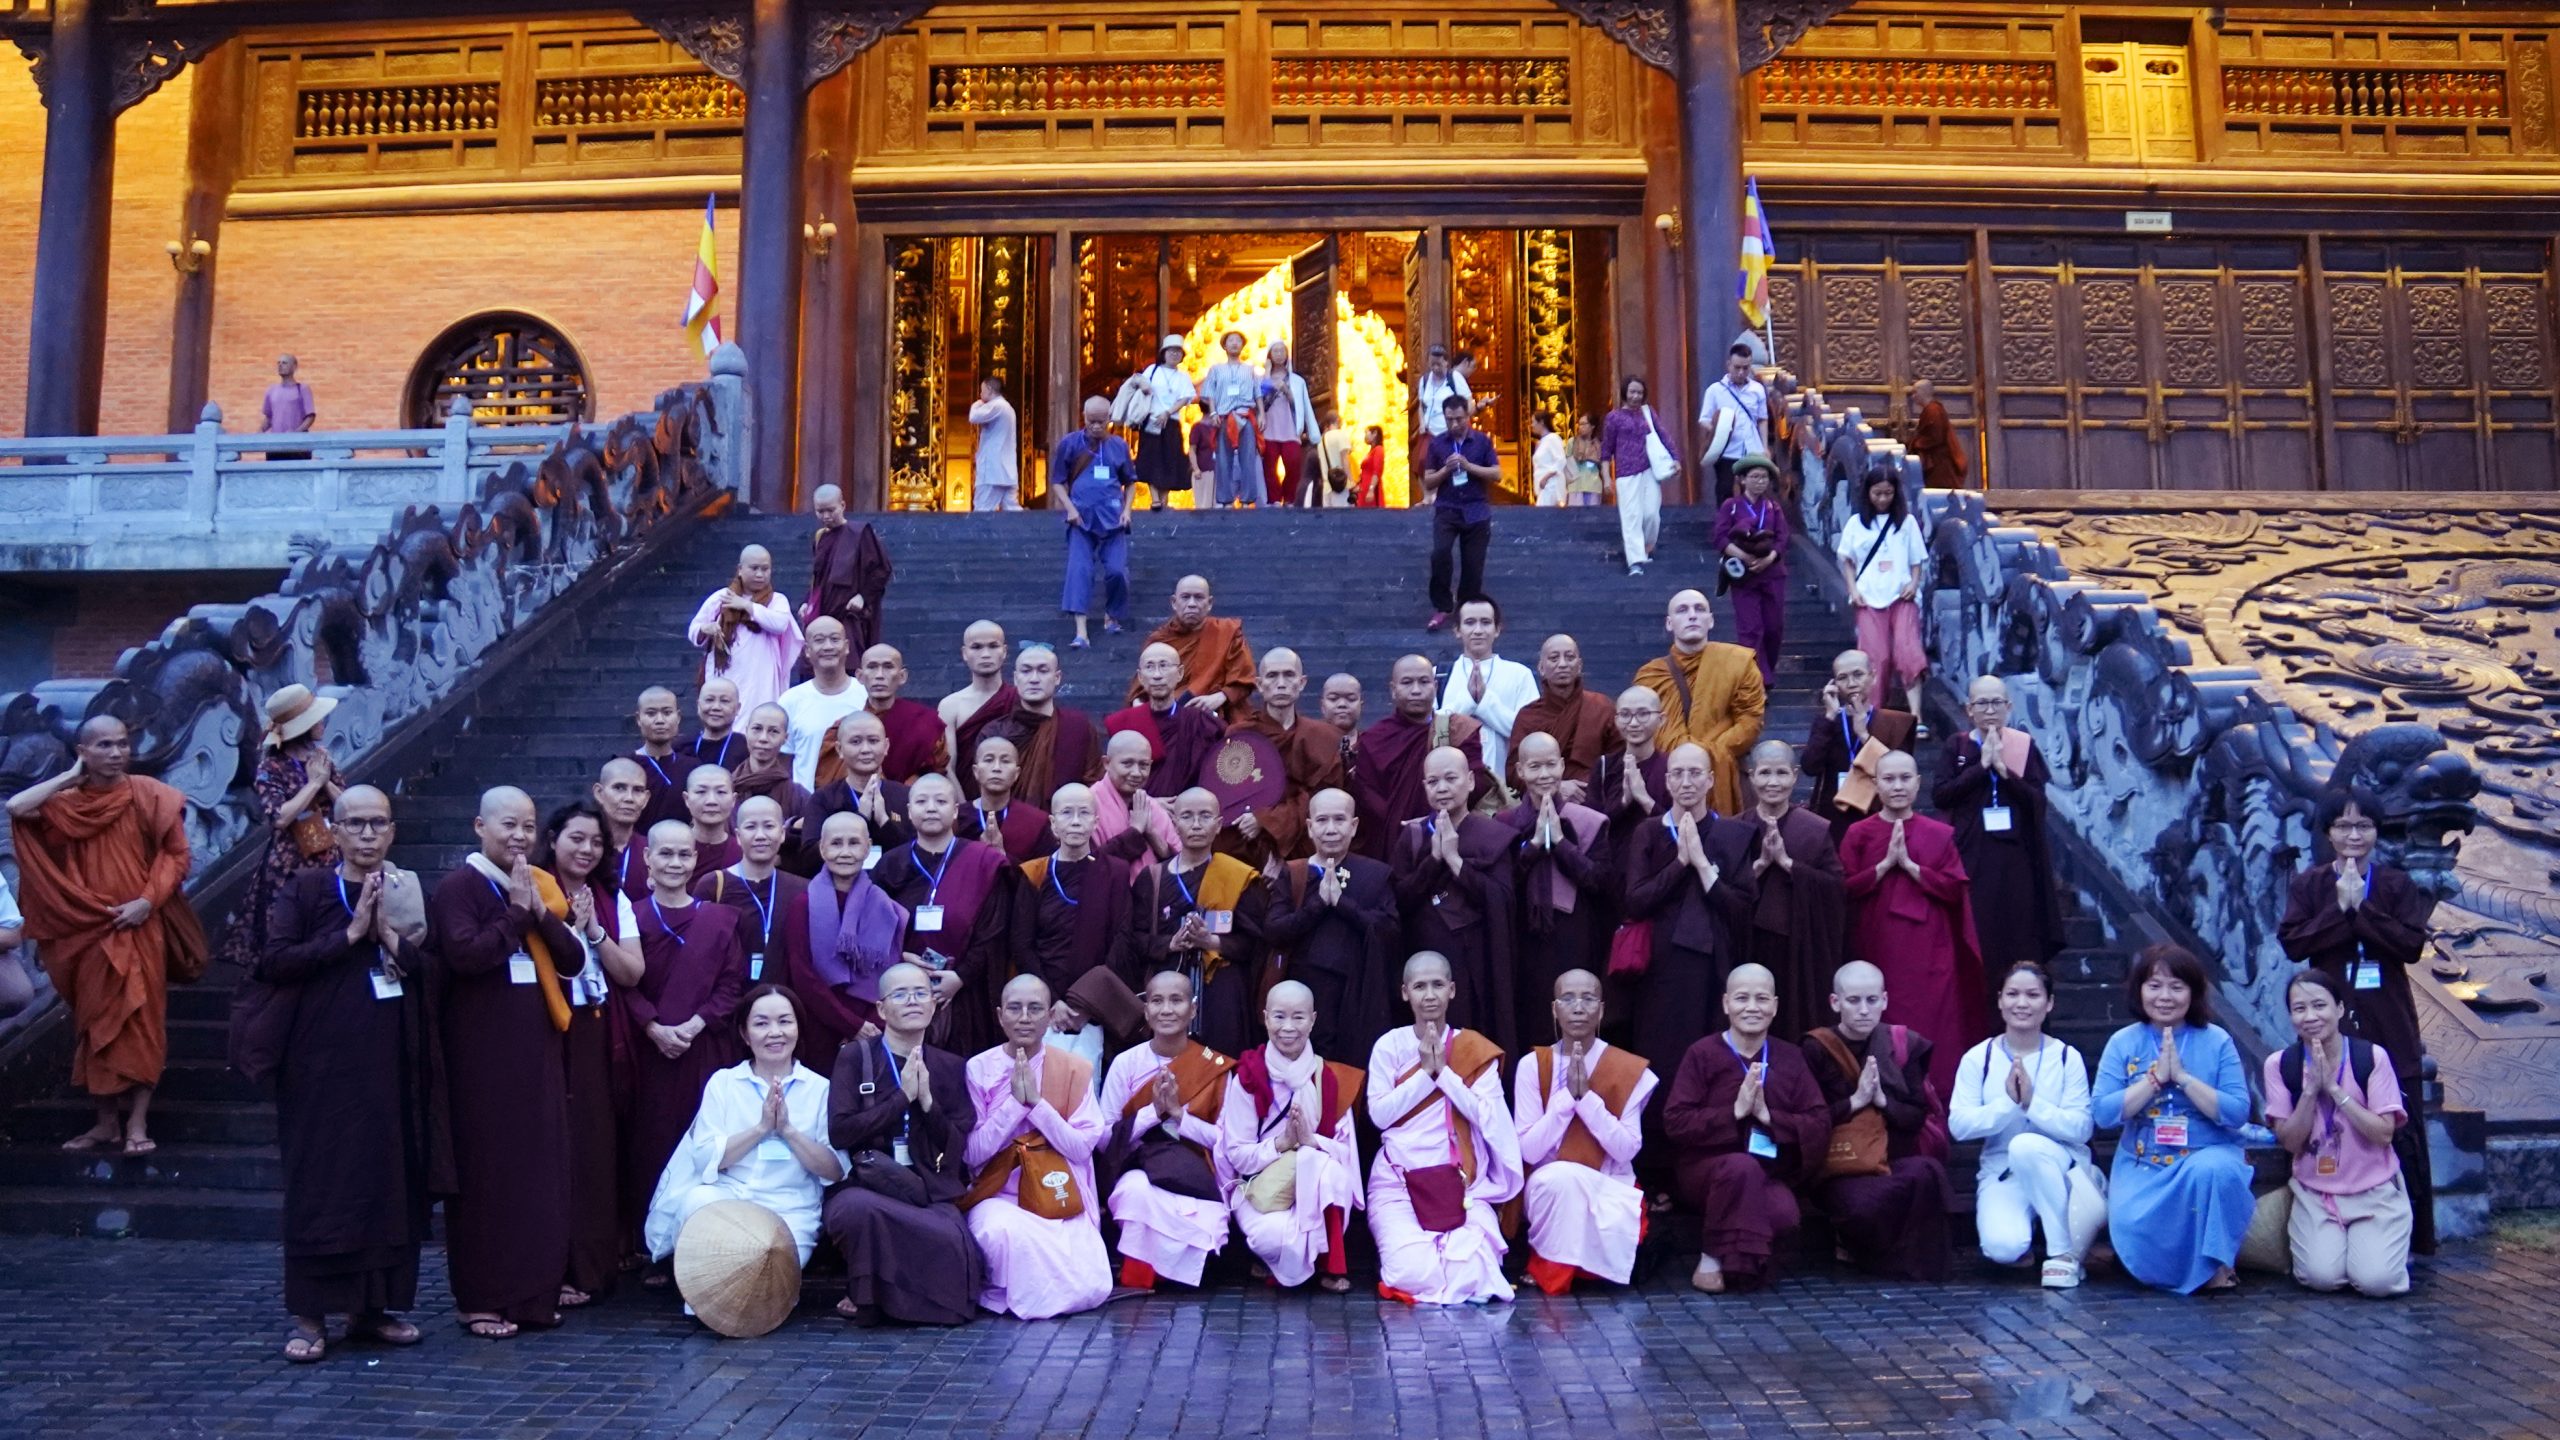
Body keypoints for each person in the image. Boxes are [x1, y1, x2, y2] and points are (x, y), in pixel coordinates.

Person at [254, 785, 431, 1362]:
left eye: (378, 823)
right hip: (319, 1065)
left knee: (384, 1183)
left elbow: (429, 969)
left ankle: (371, 1309)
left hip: (387, 1061)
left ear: (393, 831)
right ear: (334, 830)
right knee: (321, 1184)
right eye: (355, 823)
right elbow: (274, 960)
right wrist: (349, 935)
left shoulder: (405, 889)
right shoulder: (307, 888)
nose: (367, 834)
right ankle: (310, 1316)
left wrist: (387, 937)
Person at [9, 715, 202, 1155]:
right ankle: (105, 1123)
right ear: (83, 752)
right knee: (95, 1025)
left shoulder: (149, 794)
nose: (116, 753)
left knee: (142, 1023)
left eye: (122, 744)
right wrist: (69, 777)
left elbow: (177, 855)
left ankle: (137, 1123)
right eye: (104, 746)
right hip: (90, 928)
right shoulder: (68, 803)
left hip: (140, 924)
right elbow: (17, 807)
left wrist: (147, 902)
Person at [426, 786, 579, 1336]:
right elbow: (467, 954)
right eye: (508, 825)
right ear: (480, 827)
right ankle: (481, 1299)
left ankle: (532, 1294)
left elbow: (573, 958)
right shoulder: (458, 888)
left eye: (528, 826)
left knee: (539, 1175)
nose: (520, 836)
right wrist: (515, 915)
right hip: (480, 1061)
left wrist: (538, 912)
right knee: (487, 1176)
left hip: (536, 1056)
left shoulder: (536, 885)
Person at [2279, 784, 2439, 1255]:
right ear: (2328, 832)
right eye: (2344, 825)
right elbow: (2294, 943)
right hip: (2328, 1019)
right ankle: (2330, 1221)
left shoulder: (2395, 885)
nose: (2354, 835)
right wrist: (2340, 908)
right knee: (2330, 1114)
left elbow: (2410, 945)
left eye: (2364, 825)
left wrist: (2362, 909)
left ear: (2376, 831)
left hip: (2387, 1017)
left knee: (2400, 1121)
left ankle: (2413, 1237)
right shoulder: (2310, 885)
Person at [644, 985, 847, 1275]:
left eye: (785, 1021)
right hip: (728, 1196)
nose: (775, 1032)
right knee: (697, 1202)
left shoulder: (821, 1089)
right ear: (745, 1034)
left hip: (790, 1209)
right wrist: (761, 1128)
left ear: (798, 1028)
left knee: (763, 1272)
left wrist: (788, 1130)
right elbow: (704, 1158)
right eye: (761, 1024)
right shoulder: (724, 1083)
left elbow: (835, 1170)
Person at [617, 821, 748, 1270]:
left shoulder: (718, 919)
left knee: (701, 1142)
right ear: (647, 859)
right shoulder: (631, 917)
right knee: (649, 1142)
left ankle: (699, 1243)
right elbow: (622, 984)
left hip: (704, 1048)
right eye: (665, 854)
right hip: (647, 1052)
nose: (675, 863)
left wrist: (694, 1025)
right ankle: (649, 1247)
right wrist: (653, 1026)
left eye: (684, 854)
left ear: (695, 860)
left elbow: (732, 984)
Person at [824, 961, 984, 1325]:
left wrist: (926, 1102)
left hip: (927, 1188)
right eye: (900, 994)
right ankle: (869, 1295)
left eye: (920, 993)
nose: (912, 1001)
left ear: (933, 1004)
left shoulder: (950, 1066)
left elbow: (955, 1145)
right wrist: (901, 1098)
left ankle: (897, 1300)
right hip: (870, 1182)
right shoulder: (856, 1057)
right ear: (881, 1009)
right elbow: (841, 1132)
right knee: (855, 1211)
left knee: (951, 1240)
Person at [2096, 943, 2255, 1295]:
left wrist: (2183, 1078)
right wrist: (2153, 1080)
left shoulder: (2217, 1041)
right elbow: (2104, 1113)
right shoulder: (2123, 1042)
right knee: (2133, 1224)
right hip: (2143, 1164)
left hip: (2204, 1154)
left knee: (2213, 1170)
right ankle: (2169, 1268)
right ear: (2139, 990)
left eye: (2176, 987)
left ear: (2193, 992)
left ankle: (2216, 1264)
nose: (2165, 997)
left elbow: (2236, 1112)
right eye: (2154, 986)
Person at [1364, 951, 1521, 1306]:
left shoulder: (1472, 1049)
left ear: (1452, 990)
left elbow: (1489, 1118)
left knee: (1479, 1268)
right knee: (1408, 1272)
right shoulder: (1389, 1045)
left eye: (1437, 985)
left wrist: (1444, 1075)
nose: (1430, 995)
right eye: (1420, 986)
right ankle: (1437, 1265)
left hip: (1464, 1184)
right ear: (1405, 993)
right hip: (1397, 1180)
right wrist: (1425, 1075)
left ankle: (1445, 1266)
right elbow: (1380, 1114)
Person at [1616, 743, 1758, 1134]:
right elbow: (1635, 901)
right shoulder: (1649, 832)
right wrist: (1680, 863)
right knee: (1660, 1059)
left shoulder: (1732, 834)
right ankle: (1658, 1157)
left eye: (1695, 773)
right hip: (1658, 971)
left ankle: (1708, 1143)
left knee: (1709, 1057)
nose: (1686, 782)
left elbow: (1742, 909)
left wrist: (1702, 866)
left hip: (1712, 968)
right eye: (1677, 773)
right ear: (1666, 781)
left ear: (1711, 780)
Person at [1664, 964, 1831, 1293]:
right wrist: (1734, 1112)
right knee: (1740, 1167)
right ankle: (1711, 1257)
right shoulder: (1702, 1053)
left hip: (1766, 1169)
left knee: (1784, 1213)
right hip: (1706, 1171)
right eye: (1742, 998)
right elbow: (1675, 1121)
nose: (1752, 1007)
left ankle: (1740, 1264)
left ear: (1775, 1006)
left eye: (1761, 999)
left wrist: (1770, 1117)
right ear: (1726, 1004)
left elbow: (1819, 1122)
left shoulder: (1791, 1057)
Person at [963, 974, 1113, 1319]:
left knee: (1090, 1284)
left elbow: (1081, 1148)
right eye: (1014, 1008)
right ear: (1000, 1016)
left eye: (1035, 1009)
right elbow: (972, 1153)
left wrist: (1037, 1105)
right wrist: (1014, 1105)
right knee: (999, 1231)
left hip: (1059, 1192)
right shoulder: (979, 1069)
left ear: (1049, 1016)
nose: (1025, 1017)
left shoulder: (1073, 1069)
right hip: (1000, 1195)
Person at [1839, 751, 1987, 1096]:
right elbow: (1841, 889)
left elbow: (1955, 889)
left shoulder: (1939, 834)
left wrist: (1911, 867)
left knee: (1936, 1025)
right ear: (1875, 784)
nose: (1897, 786)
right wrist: (1884, 866)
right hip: (1878, 946)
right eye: (1889, 779)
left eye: (1905, 778)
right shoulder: (1859, 834)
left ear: (1918, 783)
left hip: (1931, 950)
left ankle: (1938, 1100)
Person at [1951, 960, 2105, 1288]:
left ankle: (2063, 1253)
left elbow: (2081, 1128)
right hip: (2004, 1171)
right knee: (2002, 1248)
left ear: (2049, 1003)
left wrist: (2033, 1104)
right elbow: (1960, 1125)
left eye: (2033, 995)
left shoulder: (2066, 1057)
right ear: (2000, 1000)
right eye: (2013, 994)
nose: (2022, 1003)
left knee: (2026, 1146)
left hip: (2060, 1166)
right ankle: (2033, 1231)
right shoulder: (1979, 1058)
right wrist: (2009, 1104)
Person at [539, 799, 636, 1307]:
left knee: (593, 1149)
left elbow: (632, 973)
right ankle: (546, 1268)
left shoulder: (611, 898)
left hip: (595, 1030)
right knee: (548, 1149)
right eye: (576, 838)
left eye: (596, 841)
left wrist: (594, 930)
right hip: (543, 1029)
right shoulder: (533, 890)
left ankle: (590, 1266)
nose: (587, 849)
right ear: (552, 839)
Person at [1799, 961, 1953, 1282]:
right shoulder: (1816, 1049)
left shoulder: (1904, 1044)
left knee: (1927, 1173)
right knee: (1862, 1206)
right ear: (1835, 1002)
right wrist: (1855, 1101)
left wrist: (1882, 1101)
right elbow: (1808, 1120)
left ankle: (1914, 1265)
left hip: (1891, 1158)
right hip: (1841, 1165)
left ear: (1884, 1000)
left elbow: (1916, 1116)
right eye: (1853, 1001)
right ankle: (1864, 1250)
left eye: (1871, 1000)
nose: (1863, 1010)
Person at [2265, 967, 2413, 1298]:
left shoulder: (2370, 1057)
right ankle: (2350, 1250)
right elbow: (2290, 1141)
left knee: (2377, 1282)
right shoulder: (2280, 1065)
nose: (2310, 1016)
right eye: (2299, 1009)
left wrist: (2334, 1090)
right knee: (2321, 1278)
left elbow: (2383, 1134)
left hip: (2374, 1191)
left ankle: (2380, 1249)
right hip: (2316, 1194)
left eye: (2320, 1005)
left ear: (2340, 1009)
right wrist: (2309, 1091)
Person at [1513, 969, 1655, 1294]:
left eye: (1588, 999)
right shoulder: (1533, 1065)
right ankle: (1553, 1266)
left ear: (1601, 1010)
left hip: (1607, 1183)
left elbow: (1626, 1150)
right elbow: (1529, 1151)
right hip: (1549, 1188)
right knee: (1560, 1179)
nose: (1578, 1007)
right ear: (1554, 1009)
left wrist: (1588, 1100)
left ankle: (1568, 1265)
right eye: (1568, 999)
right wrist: (1566, 1100)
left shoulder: (1625, 1067)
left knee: (1567, 1181)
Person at [1221, 979, 1363, 1291]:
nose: (1288, 1027)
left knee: (1331, 1173)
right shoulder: (1249, 1076)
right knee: (1274, 1239)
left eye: (1298, 1017)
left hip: (1314, 1189)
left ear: (1313, 1020)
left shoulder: (1329, 1078)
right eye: (1279, 1016)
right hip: (1262, 1189)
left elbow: (1347, 1155)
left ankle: (1330, 1266)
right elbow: (1238, 1155)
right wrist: (1281, 1144)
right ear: (1265, 1018)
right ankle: (1279, 1261)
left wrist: (1311, 1142)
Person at [1099, 972, 1236, 1291]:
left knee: (1204, 1217)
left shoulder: (1214, 1066)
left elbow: (1227, 1141)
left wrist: (1178, 1114)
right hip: (1141, 1168)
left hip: (1199, 1174)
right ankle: (1143, 1274)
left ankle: (1177, 1274)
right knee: (1134, 1192)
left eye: (1177, 1000)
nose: (1167, 1010)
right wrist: (1152, 1113)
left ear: (1193, 1009)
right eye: (1157, 1001)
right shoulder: (1126, 1063)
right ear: (1146, 1010)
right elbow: (1104, 1138)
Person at [873, 774, 1017, 1060]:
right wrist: (899, 956)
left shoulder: (982, 861)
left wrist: (961, 976)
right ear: (909, 811)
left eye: (940, 801)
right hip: (906, 988)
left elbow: (995, 928)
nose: (931, 808)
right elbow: (875, 929)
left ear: (954, 811)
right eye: (921, 802)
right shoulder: (891, 864)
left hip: (967, 991)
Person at [1388, 748, 1523, 1054]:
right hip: (1424, 949)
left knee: (1473, 1033)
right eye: (1433, 782)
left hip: (1475, 955)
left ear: (1470, 781)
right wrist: (1434, 859)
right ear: (1425, 787)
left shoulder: (1494, 835)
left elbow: (1502, 900)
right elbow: (1398, 901)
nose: (1442, 788)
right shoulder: (1413, 836)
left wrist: (1455, 860)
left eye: (1451, 779)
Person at [1937, 677, 2065, 984]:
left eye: (1997, 703)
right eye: (1982, 703)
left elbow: (2037, 803)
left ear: (2009, 707)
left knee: (2019, 931)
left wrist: (2004, 772)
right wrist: (1981, 767)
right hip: (1972, 852)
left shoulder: (2022, 745)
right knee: (1979, 930)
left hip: (2015, 855)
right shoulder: (1957, 746)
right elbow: (1941, 796)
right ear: (1969, 710)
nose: (1990, 710)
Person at [1263, 788, 1401, 1066]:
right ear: (1310, 827)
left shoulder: (1375, 874)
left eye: (1339, 820)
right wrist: (1317, 905)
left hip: (1358, 992)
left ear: (1354, 826)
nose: (1331, 829)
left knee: (1353, 1068)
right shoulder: (1294, 872)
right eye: (1322, 820)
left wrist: (1342, 903)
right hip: (1305, 993)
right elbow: (1274, 930)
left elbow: (1389, 931)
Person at [1128, 788, 1266, 1058]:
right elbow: (1135, 939)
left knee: (1219, 1063)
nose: (1196, 824)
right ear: (1174, 823)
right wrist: (1170, 943)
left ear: (1218, 824)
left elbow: (1256, 944)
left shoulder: (1237, 876)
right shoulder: (1152, 878)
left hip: (1221, 991)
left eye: (1205, 816)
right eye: (1187, 816)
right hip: (1167, 986)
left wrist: (1211, 941)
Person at [222, 684, 343, 972]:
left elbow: (348, 804)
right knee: (287, 934)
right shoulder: (271, 768)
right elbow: (279, 817)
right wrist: (313, 784)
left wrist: (325, 780)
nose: (322, 723)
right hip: (291, 863)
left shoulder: (321, 758)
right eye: (317, 718)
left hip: (330, 854)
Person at [1502, 732, 1610, 1038]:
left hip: (1575, 933)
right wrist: (1534, 846)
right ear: (1520, 771)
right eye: (1535, 767)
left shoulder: (1590, 821)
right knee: (1530, 1019)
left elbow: (1601, 883)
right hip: (1523, 936)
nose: (1544, 774)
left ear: (1562, 766)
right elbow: (1501, 887)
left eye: (1551, 765)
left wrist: (1561, 843)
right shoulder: (1504, 824)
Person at [1739, 740, 1847, 1043]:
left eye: (1781, 773)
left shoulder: (1815, 829)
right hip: (1748, 942)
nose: (1773, 782)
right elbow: (1724, 889)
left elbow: (1836, 888)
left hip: (1800, 945)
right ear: (1751, 775)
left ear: (1795, 775)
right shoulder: (1737, 827)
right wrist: (1760, 865)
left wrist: (1788, 864)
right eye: (1765, 773)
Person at [1633, 588, 1765, 816]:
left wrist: (1709, 754)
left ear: (1710, 621)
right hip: (1669, 779)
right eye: (1682, 610)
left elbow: (1750, 720)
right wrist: (1699, 757)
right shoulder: (1651, 675)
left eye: (1699, 609)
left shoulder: (1738, 663)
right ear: (1669, 623)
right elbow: (1650, 729)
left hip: (1723, 774)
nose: (1692, 615)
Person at [1218, 646, 1346, 870]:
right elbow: (1231, 798)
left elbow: (1326, 799)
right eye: (1272, 676)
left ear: (1302, 683)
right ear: (1259, 685)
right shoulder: (1240, 735)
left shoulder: (1324, 737)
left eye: (1289, 675)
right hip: (1251, 846)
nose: (1281, 683)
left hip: (1308, 845)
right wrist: (1258, 824)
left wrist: (1265, 820)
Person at [1353, 654, 1490, 858]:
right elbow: (1367, 796)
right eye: (1407, 682)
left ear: (1435, 686)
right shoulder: (1374, 739)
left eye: (1424, 682)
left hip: (1451, 834)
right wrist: (1405, 827)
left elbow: (1476, 783)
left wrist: (1431, 821)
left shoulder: (1458, 731)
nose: (1416, 690)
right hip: (1393, 841)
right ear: (1393, 689)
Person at [1020, 783, 1134, 1002]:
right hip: (1044, 999)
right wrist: (1052, 1001)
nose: (1075, 821)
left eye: (1084, 813)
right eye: (1066, 813)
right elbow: (1023, 945)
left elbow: (1122, 938)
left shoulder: (1115, 872)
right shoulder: (1034, 873)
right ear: (1053, 823)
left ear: (1095, 822)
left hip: (1097, 999)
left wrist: (1088, 1001)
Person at [1836, 466, 1931, 725]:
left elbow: (1917, 560)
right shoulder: (1856, 523)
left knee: (1908, 652)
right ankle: (1873, 714)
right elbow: (1847, 560)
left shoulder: (1907, 522)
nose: (1882, 499)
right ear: (1867, 492)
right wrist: (1853, 589)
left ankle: (1916, 716)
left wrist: (1914, 584)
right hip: (1868, 597)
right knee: (1874, 657)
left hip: (1902, 596)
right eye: (1877, 493)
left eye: (1888, 493)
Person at [964, 644, 1104, 805]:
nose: (1034, 679)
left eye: (1043, 671)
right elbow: (983, 788)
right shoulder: (995, 732)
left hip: (1063, 817)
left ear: (1057, 677)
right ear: (1016, 678)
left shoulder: (1077, 727)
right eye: (1026, 671)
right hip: (1008, 818)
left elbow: (1093, 782)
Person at [1804, 648, 1916, 843]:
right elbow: (1810, 767)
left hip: (1879, 811)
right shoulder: (1829, 722)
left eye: (1858, 675)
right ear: (1834, 684)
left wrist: (1864, 735)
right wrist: (1829, 716)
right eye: (1843, 678)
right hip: (1834, 812)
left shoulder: (1892, 722)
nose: (1852, 683)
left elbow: (1898, 769)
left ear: (1873, 676)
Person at [1055, 396, 1137, 647]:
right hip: (1081, 521)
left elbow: (1130, 482)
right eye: (1092, 421)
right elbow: (1058, 481)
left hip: (1113, 520)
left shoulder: (1119, 446)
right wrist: (1069, 509)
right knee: (1079, 571)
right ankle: (1081, 632)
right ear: (1084, 417)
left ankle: (1112, 615)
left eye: (1102, 421)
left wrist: (1127, 511)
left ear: (1109, 419)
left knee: (1117, 571)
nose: (1096, 426)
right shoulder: (1070, 444)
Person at [688, 544, 804, 718]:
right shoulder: (723, 597)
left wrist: (747, 606)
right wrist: (706, 629)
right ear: (740, 570)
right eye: (754, 568)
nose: (760, 574)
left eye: (765, 569)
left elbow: (779, 624)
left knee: (759, 719)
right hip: (726, 672)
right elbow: (694, 629)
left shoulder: (777, 600)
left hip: (761, 676)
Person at [794, 709, 915, 875]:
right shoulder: (823, 799)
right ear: (839, 749)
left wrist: (884, 821)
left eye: (873, 741)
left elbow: (915, 856)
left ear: (886, 746)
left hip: (892, 887)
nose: (865, 749)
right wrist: (860, 818)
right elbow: (808, 861)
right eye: (856, 742)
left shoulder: (905, 796)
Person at [1420, 393, 1497, 632]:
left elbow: (1496, 474)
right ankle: (1443, 605)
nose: (1454, 424)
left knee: (1473, 564)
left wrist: (1468, 466)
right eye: (1449, 419)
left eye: (1459, 419)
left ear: (1468, 416)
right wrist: (1446, 469)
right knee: (1440, 553)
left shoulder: (1482, 442)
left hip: (1476, 509)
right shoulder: (1437, 444)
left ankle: (1465, 607)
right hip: (1448, 508)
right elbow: (1428, 480)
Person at [1440, 598, 1537, 785]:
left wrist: (1485, 703)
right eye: (1470, 623)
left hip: (1507, 790)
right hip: (1451, 789)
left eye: (1485, 622)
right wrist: (1468, 701)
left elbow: (1528, 732)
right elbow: (1433, 733)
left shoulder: (1519, 674)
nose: (1478, 630)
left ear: (1497, 629)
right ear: (1457, 630)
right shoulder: (1439, 676)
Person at [1128, 574, 1256, 717]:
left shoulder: (1226, 632)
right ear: (1174, 602)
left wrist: (1219, 697)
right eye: (1185, 597)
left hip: (1218, 712)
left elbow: (1243, 679)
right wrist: (1142, 710)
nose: (1192, 604)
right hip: (1166, 713)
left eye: (1199, 597)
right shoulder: (1158, 641)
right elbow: (1140, 688)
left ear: (1209, 603)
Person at [1508, 634, 1617, 798]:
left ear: (1579, 666)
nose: (1563, 664)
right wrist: (1556, 787)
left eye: (1570, 657)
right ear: (1541, 668)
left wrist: (1592, 789)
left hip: (1594, 801)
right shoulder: (1528, 716)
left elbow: (1619, 762)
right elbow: (1513, 772)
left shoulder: (1602, 707)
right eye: (1554, 658)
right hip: (1542, 802)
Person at [1712, 457, 1790, 687]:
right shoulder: (1731, 506)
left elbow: (1783, 537)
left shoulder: (1773, 507)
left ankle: (1767, 671)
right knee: (1750, 629)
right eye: (1754, 477)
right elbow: (1720, 537)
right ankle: (1757, 681)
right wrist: (1744, 557)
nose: (1760, 482)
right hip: (1743, 577)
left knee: (1774, 628)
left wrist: (1769, 558)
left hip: (1772, 573)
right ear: (1742, 480)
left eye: (1764, 477)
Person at [1127, 639, 1231, 800]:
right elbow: (1116, 783)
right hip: (1143, 812)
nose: (1157, 675)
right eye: (1150, 667)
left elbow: (1224, 772)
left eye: (1164, 665)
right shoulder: (1127, 724)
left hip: (1193, 810)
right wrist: (1151, 803)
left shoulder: (1201, 722)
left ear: (1180, 673)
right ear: (1140, 677)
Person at [775, 617, 866, 792]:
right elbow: (783, 760)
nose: (828, 647)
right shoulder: (790, 700)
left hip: (859, 801)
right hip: (807, 803)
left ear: (847, 646)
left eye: (834, 639)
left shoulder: (865, 694)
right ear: (807, 651)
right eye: (819, 640)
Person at [800, 484, 891, 658]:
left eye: (831, 510)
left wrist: (863, 596)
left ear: (842, 505)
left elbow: (881, 570)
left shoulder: (860, 533)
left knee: (851, 661)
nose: (826, 516)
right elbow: (819, 578)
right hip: (825, 611)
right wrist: (807, 602)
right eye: (820, 511)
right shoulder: (820, 538)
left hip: (851, 614)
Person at [1599, 377, 1675, 574]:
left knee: (1651, 515)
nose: (1635, 396)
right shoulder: (1614, 418)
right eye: (1632, 392)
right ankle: (1635, 561)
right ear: (1625, 392)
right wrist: (1606, 478)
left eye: (1639, 392)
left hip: (1649, 470)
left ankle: (1647, 546)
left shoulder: (1648, 413)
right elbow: (1606, 451)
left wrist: (1675, 457)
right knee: (1631, 517)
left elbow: (1663, 435)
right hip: (1626, 473)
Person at [851, 644, 949, 786]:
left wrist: (898, 793)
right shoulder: (846, 728)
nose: (879, 675)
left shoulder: (924, 722)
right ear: (860, 676)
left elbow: (934, 770)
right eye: (872, 667)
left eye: (888, 667)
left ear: (902, 676)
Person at [1591, 686, 1669, 858]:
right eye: (1625, 715)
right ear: (1616, 720)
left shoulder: (1671, 768)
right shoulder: (1604, 766)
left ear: (1661, 719)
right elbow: (1592, 828)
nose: (1633, 723)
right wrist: (1623, 801)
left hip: (1658, 863)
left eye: (1643, 714)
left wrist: (1644, 799)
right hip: (1612, 865)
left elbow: (1679, 829)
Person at [956, 732, 1054, 864]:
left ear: (1016, 774)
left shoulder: (1036, 821)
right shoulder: (957, 818)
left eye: (1005, 761)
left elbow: (1044, 872)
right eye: (989, 760)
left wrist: (1001, 854)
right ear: (976, 771)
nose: (997, 768)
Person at [1124, 335, 1197, 511]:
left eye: (1178, 352)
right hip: (1151, 421)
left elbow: (1185, 398)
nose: (1175, 354)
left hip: (1171, 422)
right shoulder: (1152, 370)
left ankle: (1164, 499)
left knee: (1170, 459)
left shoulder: (1183, 376)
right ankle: (1155, 499)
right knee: (1151, 458)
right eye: (1171, 351)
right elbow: (1139, 386)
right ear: (1163, 353)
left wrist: (1168, 412)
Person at [1696, 343, 1773, 505]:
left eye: (1746, 368)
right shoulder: (1715, 391)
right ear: (1728, 365)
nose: (1741, 372)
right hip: (1727, 452)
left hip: (1752, 450)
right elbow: (1704, 419)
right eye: (1737, 367)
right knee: (1726, 492)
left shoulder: (1757, 389)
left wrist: (1765, 446)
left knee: (1755, 492)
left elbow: (1762, 419)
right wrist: (1720, 430)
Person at [1092, 728, 1177, 865]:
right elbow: (1088, 864)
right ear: (1106, 763)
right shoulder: (1088, 804)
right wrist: (1135, 831)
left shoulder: (1152, 807)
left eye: (1143, 765)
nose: (1136, 773)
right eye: (1127, 764)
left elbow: (1180, 864)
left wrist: (1151, 833)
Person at [1200, 330, 1264, 507]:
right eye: (1231, 341)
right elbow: (1209, 393)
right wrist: (1213, 413)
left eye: (1238, 341)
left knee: (1248, 458)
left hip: (1245, 415)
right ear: (1224, 346)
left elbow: (1257, 393)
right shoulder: (1216, 370)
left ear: (1243, 345)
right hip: (1224, 417)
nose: (1235, 343)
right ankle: (1225, 499)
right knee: (1223, 459)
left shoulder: (1250, 370)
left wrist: (1261, 414)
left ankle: (1247, 499)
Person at [627, 686, 701, 831]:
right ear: (638, 719)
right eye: (651, 713)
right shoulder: (625, 765)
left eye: (667, 713)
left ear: (678, 717)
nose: (660, 720)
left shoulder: (693, 767)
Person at [937, 620, 1010, 765]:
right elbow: (947, 767)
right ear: (964, 653)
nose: (985, 654)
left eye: (993, 646)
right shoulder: (950, 706)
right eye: (976, 647)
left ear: (1004, 651)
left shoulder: (1020, 700)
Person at [1259, 340, 1322, 507]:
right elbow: (1259, 400)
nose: (1279, 354)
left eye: (1282, 351)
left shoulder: (1297, 381)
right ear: (1269, 355)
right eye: (1275, 351)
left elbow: (1302, 406)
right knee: (1269, 467)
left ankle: (1289, 498)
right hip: (1269, 428)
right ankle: (1273, 499)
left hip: (1290, 428)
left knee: (1293, 464)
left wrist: (1287, 391)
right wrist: (1267, 374)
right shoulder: (1261, 379)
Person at [729, 703, 808, 828]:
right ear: (746, 731)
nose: (763, 738)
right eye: (757, 729)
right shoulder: (728, 788)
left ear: (785, 738)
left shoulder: (798, 796)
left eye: (773, 731)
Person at [593, 757, 653, 899]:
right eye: (619, 788)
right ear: (599, 793)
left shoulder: (653, 851)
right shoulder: (584, 850)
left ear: (646, 799)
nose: (629, 798)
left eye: (638, 790)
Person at [1411, 343, 1472, 477]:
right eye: (1432, 364)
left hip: (1450, 432)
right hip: (1429, 433)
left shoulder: (1454, 378)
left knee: (1454, 468)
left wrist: (1461, 423)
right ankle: (1430, 491)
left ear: (1446, 362)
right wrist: (1422, 423)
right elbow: (1422, 405)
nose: (1435, 368)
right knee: (1422, 465)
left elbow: (1468, 402)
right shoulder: (1424, 381)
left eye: (1438, 364)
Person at [1900, 378, 1968, 490]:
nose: (1913, 396)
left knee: (1939, 490)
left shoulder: (1933, 410)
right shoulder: (1930, 409)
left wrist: (1916, 443)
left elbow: (1935, 438)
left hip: (1938, 462)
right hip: (1935, 459)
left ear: (1923, 392)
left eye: (1915, 392)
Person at [680, 765, 742, 880]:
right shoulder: (671, 849)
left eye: (721, 792)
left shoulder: (741, 852)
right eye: (701, 792)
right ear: (686, 799)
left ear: (733, 800)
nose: (711, 801)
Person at [968, 376, 1021, 511]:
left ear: (990, 389)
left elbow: (973, 417)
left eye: (982, 390)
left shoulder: (997, 405)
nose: (981, 394)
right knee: (1012, 511)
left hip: (992, 472)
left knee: (982, 510)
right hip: (1007, 472)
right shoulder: (1007, 408)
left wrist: (978, 403)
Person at [262, 353, 318, 459]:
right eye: (278, 363)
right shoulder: (271, 390)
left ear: (294, 367)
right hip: (275, 445)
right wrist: (259, 432)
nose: (280, 365)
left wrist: (296, 433)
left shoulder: (302, 389)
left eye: (284, 363)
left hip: (297, 446)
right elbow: (269, 418)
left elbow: (310, 417)